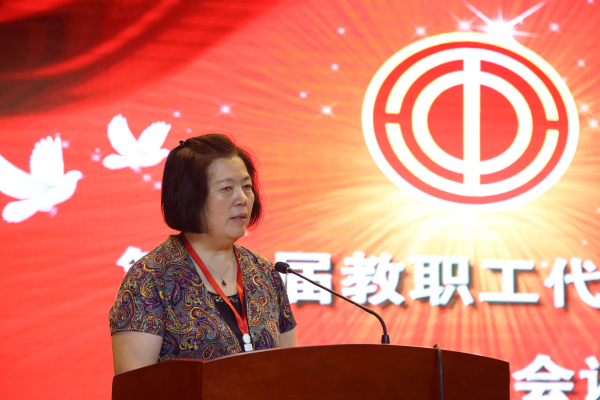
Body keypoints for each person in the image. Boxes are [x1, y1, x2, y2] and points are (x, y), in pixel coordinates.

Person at [109, 134, 298, 375]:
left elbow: (292, 371)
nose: (242, 199)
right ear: (189, 197)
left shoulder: (264, 273)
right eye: (226, 188)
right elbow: (134, 386)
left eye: (247, 187)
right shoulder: (151, 278)